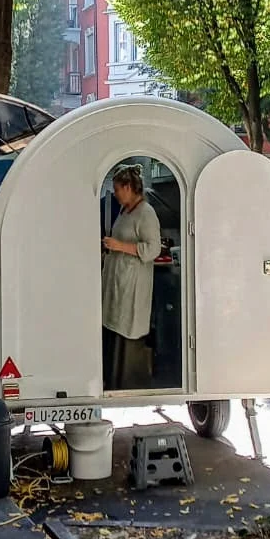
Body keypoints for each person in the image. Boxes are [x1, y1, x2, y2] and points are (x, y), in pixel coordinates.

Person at [101, 164, 162, 390]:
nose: (115, 193)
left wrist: (120, 246)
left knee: (127, 330)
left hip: (132, 283)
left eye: (117, 189)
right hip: (117, 280)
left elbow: (153, 248)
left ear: (128, 187)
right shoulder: (124, 211)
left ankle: (128, 382)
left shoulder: (146, 213)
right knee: (113, 328)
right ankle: (112, 380)